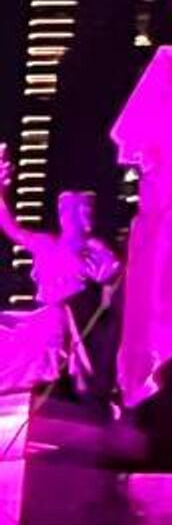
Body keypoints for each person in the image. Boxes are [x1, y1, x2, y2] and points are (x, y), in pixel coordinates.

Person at [0, 149, 120, 394]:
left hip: (76, 319)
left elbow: (114, 285)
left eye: (88, 211)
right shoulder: (46, 244)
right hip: (50, 314)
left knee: (51, 341)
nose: (85, 217)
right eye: (78, 211)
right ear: (65, 215)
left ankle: (59, 388)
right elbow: (11, 227)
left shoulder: (95, 250)